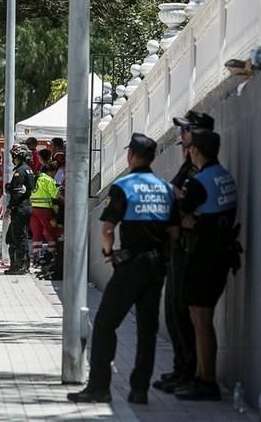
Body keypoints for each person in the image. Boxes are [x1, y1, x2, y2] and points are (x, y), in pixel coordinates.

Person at [68, 133, 179, 405]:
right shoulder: (165, 188)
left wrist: (109, 252)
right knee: (146, 328)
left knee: (106, 322)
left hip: (130, 265)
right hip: (157, 266)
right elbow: (175, 233)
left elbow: (107, 229)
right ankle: (139, 390)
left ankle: (99, 387)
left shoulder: (125, 186)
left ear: (130, 156)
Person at [174, 129, 239, 401]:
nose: (187, 152)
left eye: (189, 148)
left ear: (196, 151)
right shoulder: (224, 176)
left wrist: (186, 215)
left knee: (200, 320)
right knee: (202, 318)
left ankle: (206, 380)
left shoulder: (199, 182)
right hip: (221, 254)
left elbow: (178, 213)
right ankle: (202, 377)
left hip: (204, 257)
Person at [153, 110, 215, 394]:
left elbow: (180, 204)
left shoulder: (198, 170)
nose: (181, 137)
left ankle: (190, 372)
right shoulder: (189, 166)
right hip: (178, 247)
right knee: (174, 313)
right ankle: (182, 368)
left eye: (186, 132)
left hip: (189, 248)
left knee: (183, 313)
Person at [4, 144, 36, 275]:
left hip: (20, 207)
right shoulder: (28, 169)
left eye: (14, 156)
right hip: (26, 206)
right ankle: (22, 265)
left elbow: (17, 192)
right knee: (17, 236)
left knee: (17, 237)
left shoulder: (20, 171)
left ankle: (20, 266)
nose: (13, 158)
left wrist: (10, 207)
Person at [29, 164, 59, 264]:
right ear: (51, 171)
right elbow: (55, 195)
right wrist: (59, 188)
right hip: (45, 209)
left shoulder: (35, 178)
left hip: (33, 209)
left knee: (36, 234)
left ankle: (34, 258)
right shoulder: (48, 180)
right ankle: (52, 255)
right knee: (48, 232)